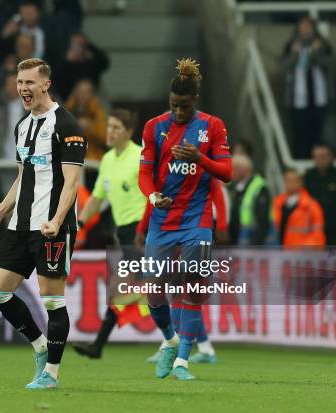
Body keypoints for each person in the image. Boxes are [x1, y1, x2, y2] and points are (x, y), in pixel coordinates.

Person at [0, 58, 87, 390]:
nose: (23, 88)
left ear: (45, 84)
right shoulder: (22, 126)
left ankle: (51, 374)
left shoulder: (67, 126)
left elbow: (71, 184)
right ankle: (40, 346)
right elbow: (23, 177)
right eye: (19, 82)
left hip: (51, 227)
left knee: (52, 299)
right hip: (19, 225)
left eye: (29, 82)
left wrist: (56, 220)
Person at [138, 58, 232, 380]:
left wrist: (199, 158)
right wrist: (152, 197)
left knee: (193, 288)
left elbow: (227, 173)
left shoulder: (213, 126)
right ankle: (169, 340)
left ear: (195, 102)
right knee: (153, 291)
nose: (179, 112)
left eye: (184, 107)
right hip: (162, 220)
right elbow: (144, 175)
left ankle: (183, 362)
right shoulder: (153, 127)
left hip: (198, 220)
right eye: (174, 106)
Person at [71, 108, 146, 359]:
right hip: (124, 234)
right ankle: (176, 339)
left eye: (116, 127)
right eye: (110, 126)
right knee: (132, 292)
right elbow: (97, 198)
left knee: (124, 290)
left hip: (141, 232)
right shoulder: (107, 160)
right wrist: (80, 222)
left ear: (129, 131)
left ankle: (98, 346)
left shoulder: (141, 157)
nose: (110, 132)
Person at [282, 16, 332, 159]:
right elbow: (284, 66)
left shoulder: (323, 44)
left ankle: (317, 160)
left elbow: (329, 63)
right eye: (302, 26)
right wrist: (295, 54)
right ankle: (300, 160)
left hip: (319, 97)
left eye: (308, 26)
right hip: (298, 98)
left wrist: (315, 52)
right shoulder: (291, 45)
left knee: (317, 132)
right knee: (299, 133)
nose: (305, 29)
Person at [304, 144, 336, 246]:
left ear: (332, 157)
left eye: (324, 156)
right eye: (317, 156)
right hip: (311, 231)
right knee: (313, 261)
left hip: (335, 232)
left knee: (334, 260)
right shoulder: (307, 178)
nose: (321, 160)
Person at [273, 169, 325, 247]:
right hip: (279, 250)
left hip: (301, 252)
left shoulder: (311, 206)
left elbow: (318, 234)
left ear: (301, 183)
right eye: (287, 180)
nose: (290, 183)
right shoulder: (276, 203)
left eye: (294, 180)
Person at [228, 153, 271, 245]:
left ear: (244, 169)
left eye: (234, 168)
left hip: (252, 238)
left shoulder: (259, 187)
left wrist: (256, 245)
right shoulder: (236, 187)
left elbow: (263, 220)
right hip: (240, 236)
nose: (231, 171)